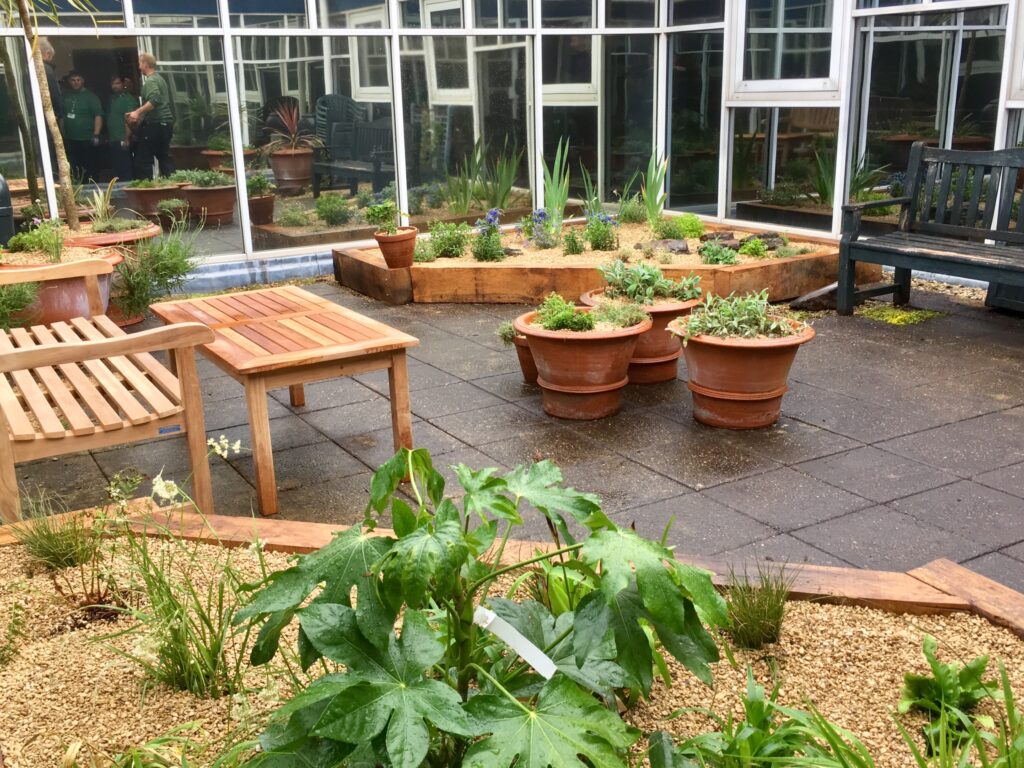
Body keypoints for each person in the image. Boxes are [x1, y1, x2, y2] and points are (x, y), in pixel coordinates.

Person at [128, 52, 175, 179]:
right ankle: (173, 186)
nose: (139, 67)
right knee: (164, 157)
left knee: (143, 160)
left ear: (145, 64)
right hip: (166, 123)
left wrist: (137, 112)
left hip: (155, 124)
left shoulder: (151, 81)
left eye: (139, 63)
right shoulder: (160, 79)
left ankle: (146, 189)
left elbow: (155, 100)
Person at [61, 70, 103, 182]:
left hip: (87, 138)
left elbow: (98, 116)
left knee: (90, 166)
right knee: (74, 166)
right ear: (69, 82)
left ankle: (93, 187)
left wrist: (96, 134)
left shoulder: (91, 97)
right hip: (71, 138)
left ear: (83, 81)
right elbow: (63, 116)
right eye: (73, 80)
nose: (76, 83)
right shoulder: (66, 96)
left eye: (78, 80)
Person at [107, 76, 138, 181]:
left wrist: (127, 139)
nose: (115, 86)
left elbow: (129, 119)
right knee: (117, 168)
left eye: (117, 83)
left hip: (123, 138)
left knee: (125, 168)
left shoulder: (128, 99)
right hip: (113, 138)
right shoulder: (112, 99)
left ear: (123, 84)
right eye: (113, 84)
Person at [38, 38, 62, 164]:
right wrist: (59, 114)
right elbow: (54, 94)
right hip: (49, 115)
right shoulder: (46, 70)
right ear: (47, 53)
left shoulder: (30, 68)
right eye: (51, 56)